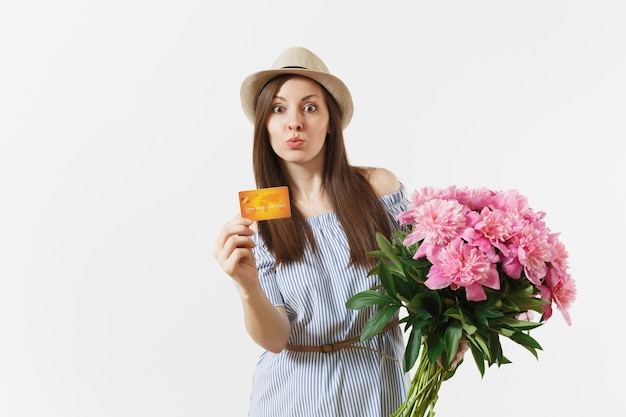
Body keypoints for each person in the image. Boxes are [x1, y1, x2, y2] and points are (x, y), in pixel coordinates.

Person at [213, 47, 465, 417]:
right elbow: (275, 338)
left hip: (375, 387)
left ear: (331, 121)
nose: (294, 122)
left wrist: (448, 333)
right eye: (278, 109)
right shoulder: (256, 221)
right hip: (290, 397)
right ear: (264, 125)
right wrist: (247, 287)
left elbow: (425, 279)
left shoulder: (378, 188)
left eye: (310, 107)